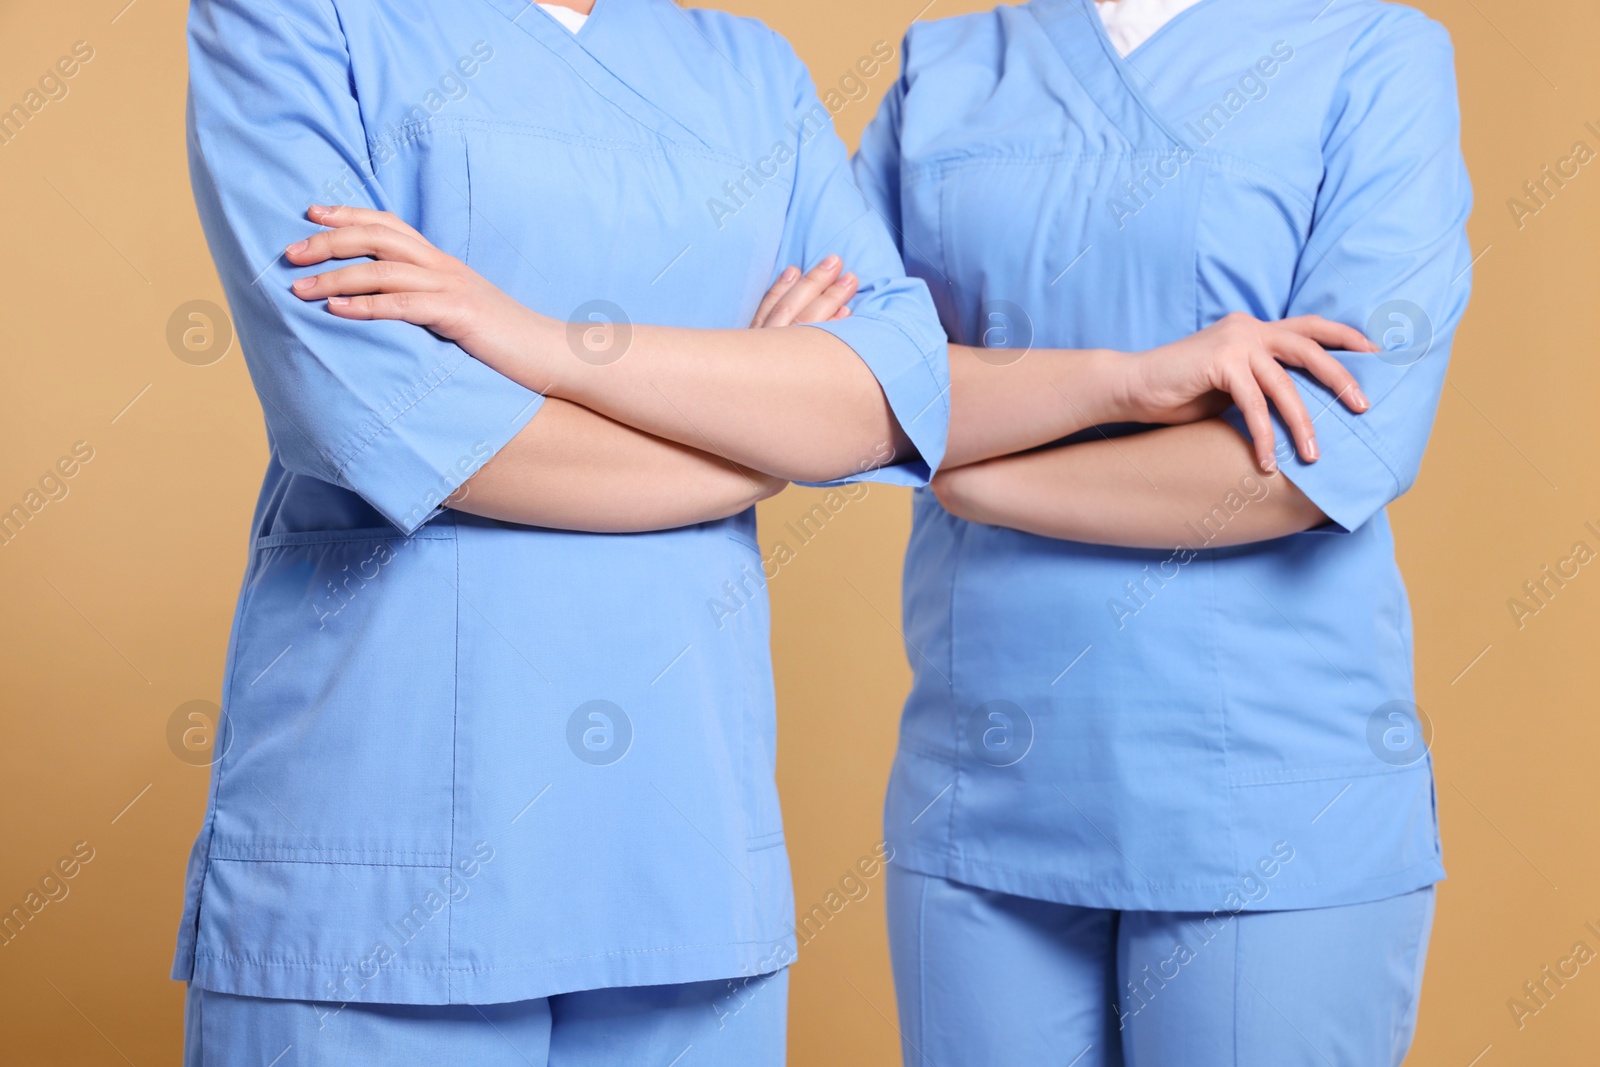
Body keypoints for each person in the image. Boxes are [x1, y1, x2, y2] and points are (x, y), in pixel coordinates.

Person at [174, 0, 950, 1062]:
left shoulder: (752, 73)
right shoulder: (302, 19)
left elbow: (895, 384)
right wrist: (763, 436)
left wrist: (536, 343)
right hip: (384, 843)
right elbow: (378, 415)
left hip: (680, 844)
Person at [843, 0, 1473, 1063]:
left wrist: (967, 473)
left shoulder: (1371, 51)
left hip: (1267, 801)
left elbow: (1318, 457)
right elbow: (839, 382)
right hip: (980, 787)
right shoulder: (943, 66)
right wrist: (1128, 391)